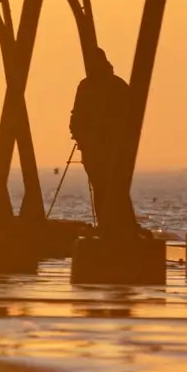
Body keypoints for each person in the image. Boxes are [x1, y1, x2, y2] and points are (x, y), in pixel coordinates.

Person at [69, 44, 140, 237]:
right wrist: (78, 134)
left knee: (108, 187)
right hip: (94, 148)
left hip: (109, 149)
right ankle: (111, 224)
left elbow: (129, 116)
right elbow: (76, 116)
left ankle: (116, 225)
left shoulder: (111, 86)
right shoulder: (103, 85)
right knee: (103, 188)